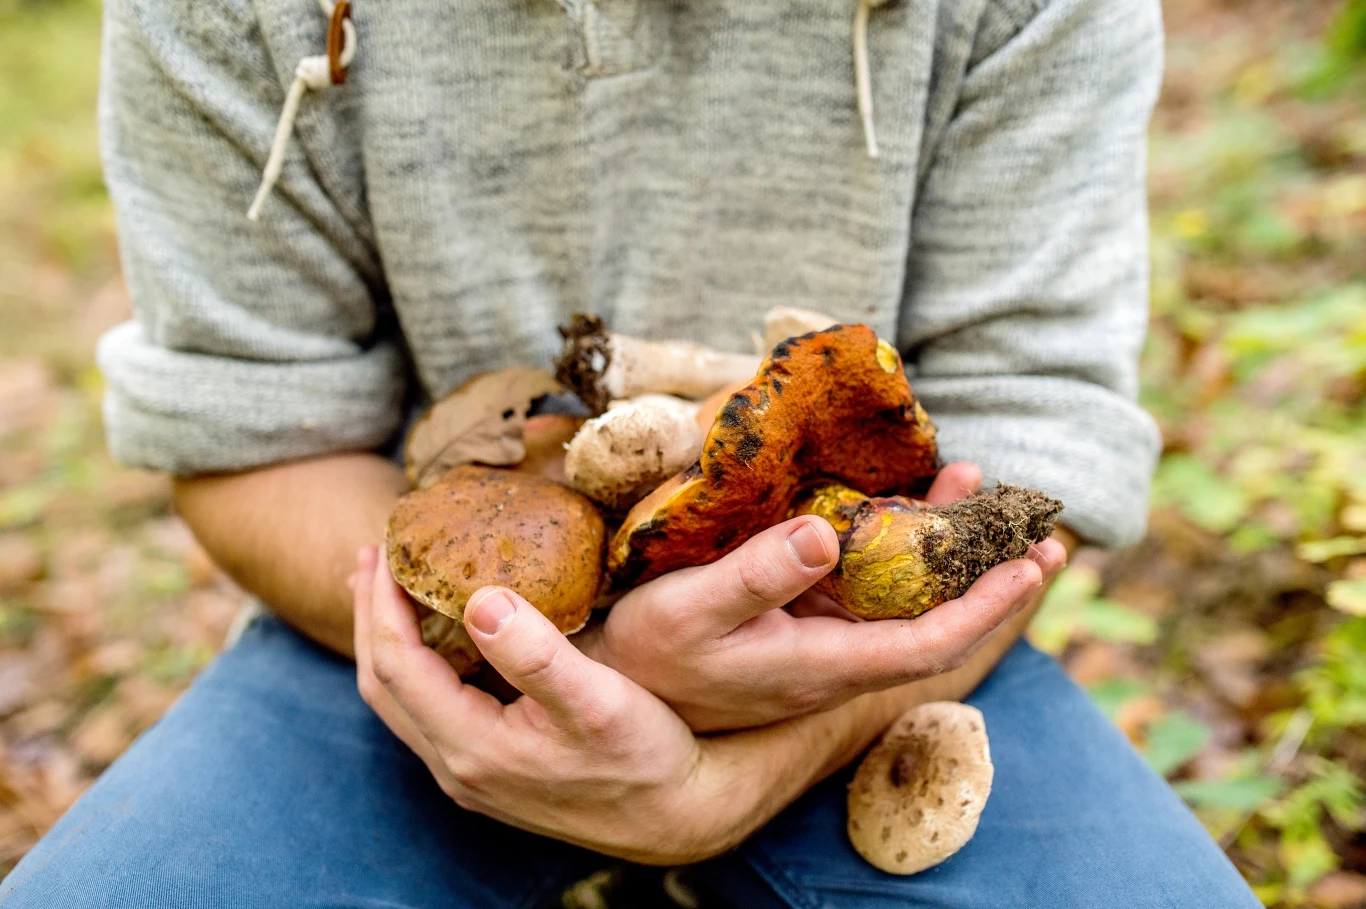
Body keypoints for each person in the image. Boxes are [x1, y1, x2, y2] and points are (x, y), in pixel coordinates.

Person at [0, 0, 1261, 905]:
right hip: (394, 648)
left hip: (870, 664)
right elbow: (254, 432)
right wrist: (576, 662)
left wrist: (736, 775)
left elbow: (1033, 424)